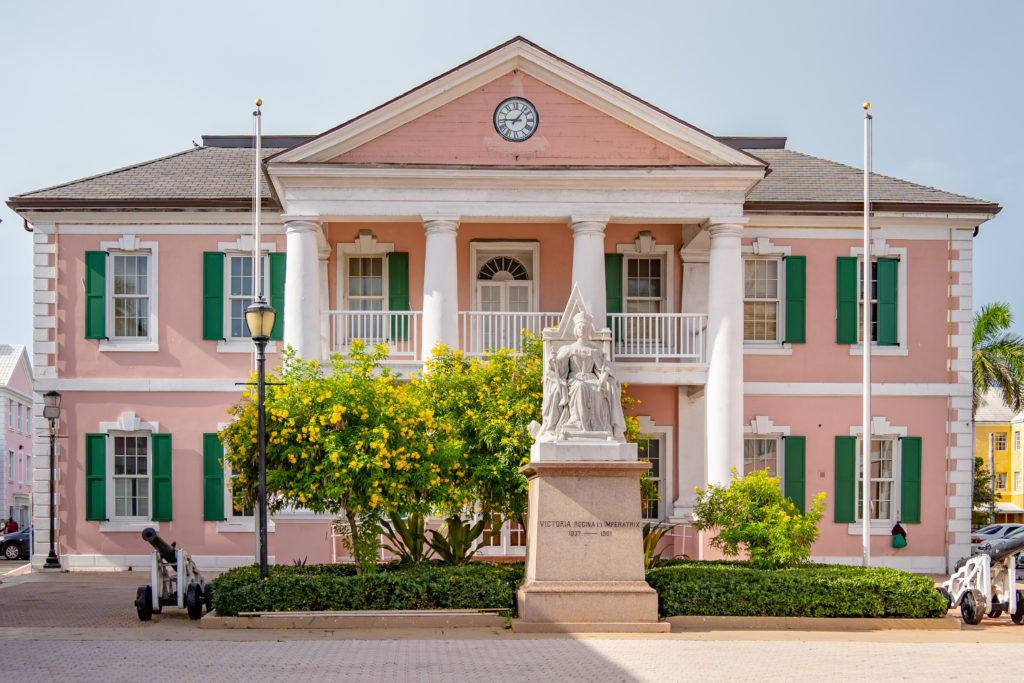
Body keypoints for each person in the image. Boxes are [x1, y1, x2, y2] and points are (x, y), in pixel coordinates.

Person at [535, 310, 627, 442]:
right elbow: (558, 367)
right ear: (575, 330)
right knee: (580, 387)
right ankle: (577, 423)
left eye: (584, 327)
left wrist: (604, 376)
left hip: (593, 379)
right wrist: (553, 361)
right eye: (579, 327)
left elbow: (603, 369)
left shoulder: (595, 351)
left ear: (588, 330)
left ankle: (597, 426)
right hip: (575, 380)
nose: (581, 329)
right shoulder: (568, 349)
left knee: (597, 390)